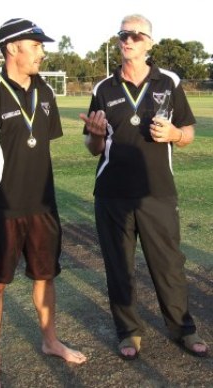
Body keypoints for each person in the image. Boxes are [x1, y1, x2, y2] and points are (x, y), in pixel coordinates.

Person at [0, 18, 87, 388]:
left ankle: (50, 342)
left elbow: (39, 143)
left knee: (45, 276)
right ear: (12, 48)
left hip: (43, 207)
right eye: (35, 45)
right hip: (2, 211)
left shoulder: (45, 92)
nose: (42, 51)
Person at [80, 14, 209, 361]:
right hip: (112, 194)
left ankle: (183, 328)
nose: (129, 39)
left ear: (150, 43)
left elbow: (189, 133)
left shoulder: (168, 82)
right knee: (119, 266)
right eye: (123, 34)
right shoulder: (103, 89)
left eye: (137, 35)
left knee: (169, 264)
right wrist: (93, 135)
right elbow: (94, 148)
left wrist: (175, 135)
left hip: (158, 191)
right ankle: (128, 331)